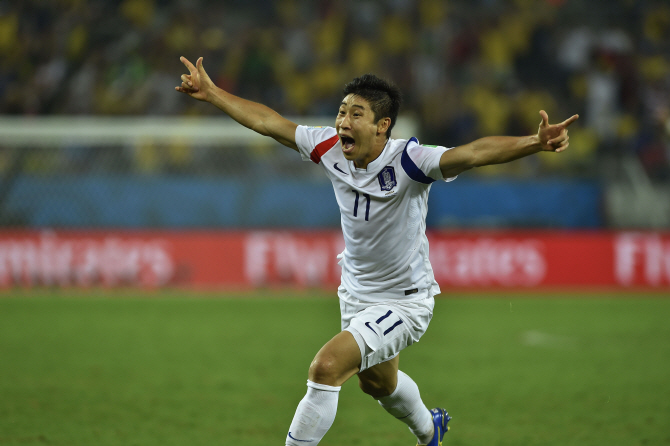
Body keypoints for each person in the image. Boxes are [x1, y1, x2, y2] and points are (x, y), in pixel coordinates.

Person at [176, 56, 578, 446]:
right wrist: (213, 94)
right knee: (378, 384)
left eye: (356, 115)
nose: (343, 122)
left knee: (326, 367)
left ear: (382, 126)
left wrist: (534, 142)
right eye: (341, 112)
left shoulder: (410, 160)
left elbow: (472, 153)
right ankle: (430, 431)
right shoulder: (329, 146)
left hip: (404, 301)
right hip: (356, 293)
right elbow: (269, 123)